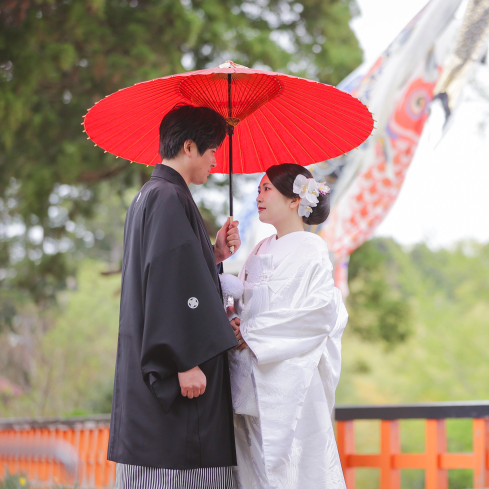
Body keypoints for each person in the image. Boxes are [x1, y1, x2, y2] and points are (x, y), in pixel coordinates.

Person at [108, 104, 242, 488]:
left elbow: (173, 271)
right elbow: (168, 281)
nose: (216, 161)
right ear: (188, 147)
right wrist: (183, 358)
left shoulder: (151, 195)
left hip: (149, 367)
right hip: (175, 376)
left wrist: (214, 254)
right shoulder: (168, 197)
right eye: (213, 150)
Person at [228, 163, 349, 489]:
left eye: (267, 188)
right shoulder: (258, 250)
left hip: (290, 377)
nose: (258, 196)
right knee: (254, 469)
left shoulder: (313, 249)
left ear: (295, 200)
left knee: (293, 468)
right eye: (258, 189)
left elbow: (318, 313)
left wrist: (251, 332)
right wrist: (235, 319)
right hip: (251, 373)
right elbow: (241, 302)